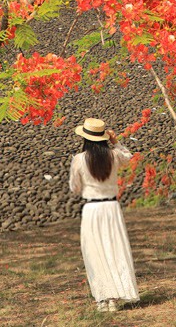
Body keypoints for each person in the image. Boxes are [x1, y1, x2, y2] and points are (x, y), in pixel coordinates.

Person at [69, 117, 140, 313]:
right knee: (114, 249)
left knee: (94, 253)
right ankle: (115, 297)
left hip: (92, 210)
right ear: (103, 138)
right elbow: (129, 156)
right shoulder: (113, 155)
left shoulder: (79, 159)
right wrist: (116, 141)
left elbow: (74, 188)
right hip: (112, 208)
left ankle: (102, 298)